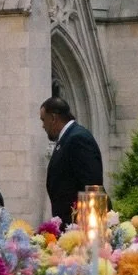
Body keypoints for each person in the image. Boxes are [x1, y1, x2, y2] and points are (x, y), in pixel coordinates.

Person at [40, 95, 103, 227]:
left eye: (43, 120)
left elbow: (91, 186)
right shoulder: (66, 139)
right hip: (69, 225)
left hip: (79, 226)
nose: (43, 126)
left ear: (53, 118)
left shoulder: (78, 138)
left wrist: (89, 229)